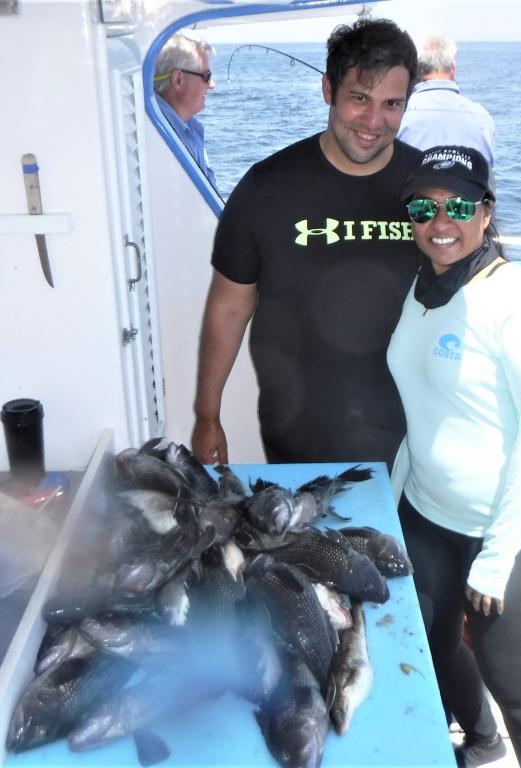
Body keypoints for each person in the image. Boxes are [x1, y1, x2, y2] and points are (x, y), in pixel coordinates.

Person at [388, 145, 521, 767]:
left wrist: (496, 559)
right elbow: (424, 405)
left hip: (513, 532)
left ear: (486, 213)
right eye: (424, 208)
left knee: (520, 693)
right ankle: (481, 742)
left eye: (459, 207)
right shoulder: (424, 285)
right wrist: (395, 496)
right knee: (431, 647)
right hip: (428, 514)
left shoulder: (517, 301)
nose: (440, 222)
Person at [191, 17, 423, 468]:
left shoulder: (428, 191)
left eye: (392, 104)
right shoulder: (266, 187)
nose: (374, 121)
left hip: (412, 441)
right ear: (328, 90)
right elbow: (229, 307)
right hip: (300, 438)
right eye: (360, 98)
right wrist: (207, 415)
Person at [398, 37, 495, 166]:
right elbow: (487, 170)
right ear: (453, 69)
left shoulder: (401, 114)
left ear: (416, 69)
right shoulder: (482, 116)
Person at [154, 32, 219, 192]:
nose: (212, 84)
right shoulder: (159, 136)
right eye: (206, 76)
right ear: (179, 80)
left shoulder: (188, 129)